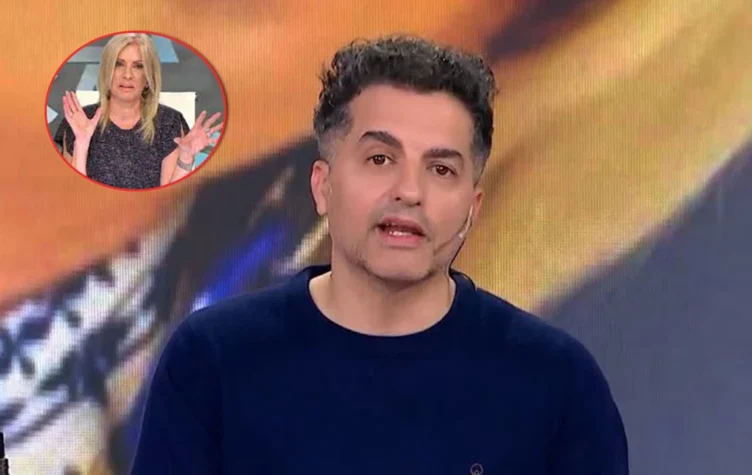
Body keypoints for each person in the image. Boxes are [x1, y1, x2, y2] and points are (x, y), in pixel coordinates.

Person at [130, 35, 628, 474]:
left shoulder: (556, 383)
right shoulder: (213, 360)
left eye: (441, 169)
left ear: (471, 207)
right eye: (380, 159)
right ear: (322, 187)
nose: (409, 191)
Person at [53, 33, 223, 189]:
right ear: (106, 71)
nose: (127, 75)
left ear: (148, 77)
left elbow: (170, 200)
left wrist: (185, 158)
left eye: (138, 66)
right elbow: (74, 198)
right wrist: (81, 143)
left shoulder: (168, 122)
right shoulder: (80, 120)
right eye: (118, 64)